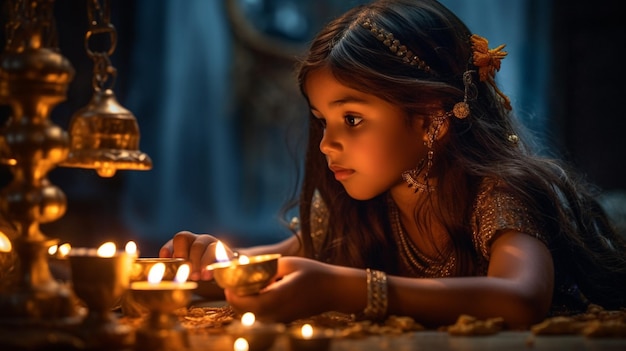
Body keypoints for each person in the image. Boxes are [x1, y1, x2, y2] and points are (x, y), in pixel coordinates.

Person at [159, 0, 626, 330]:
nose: (326, 144)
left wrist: (351, 290)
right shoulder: (361, 205)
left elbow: (521, 297)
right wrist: (214, 261)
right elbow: (288, 262)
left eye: (353, 119)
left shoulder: (497, 193)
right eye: (322, 121)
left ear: (431, 118)